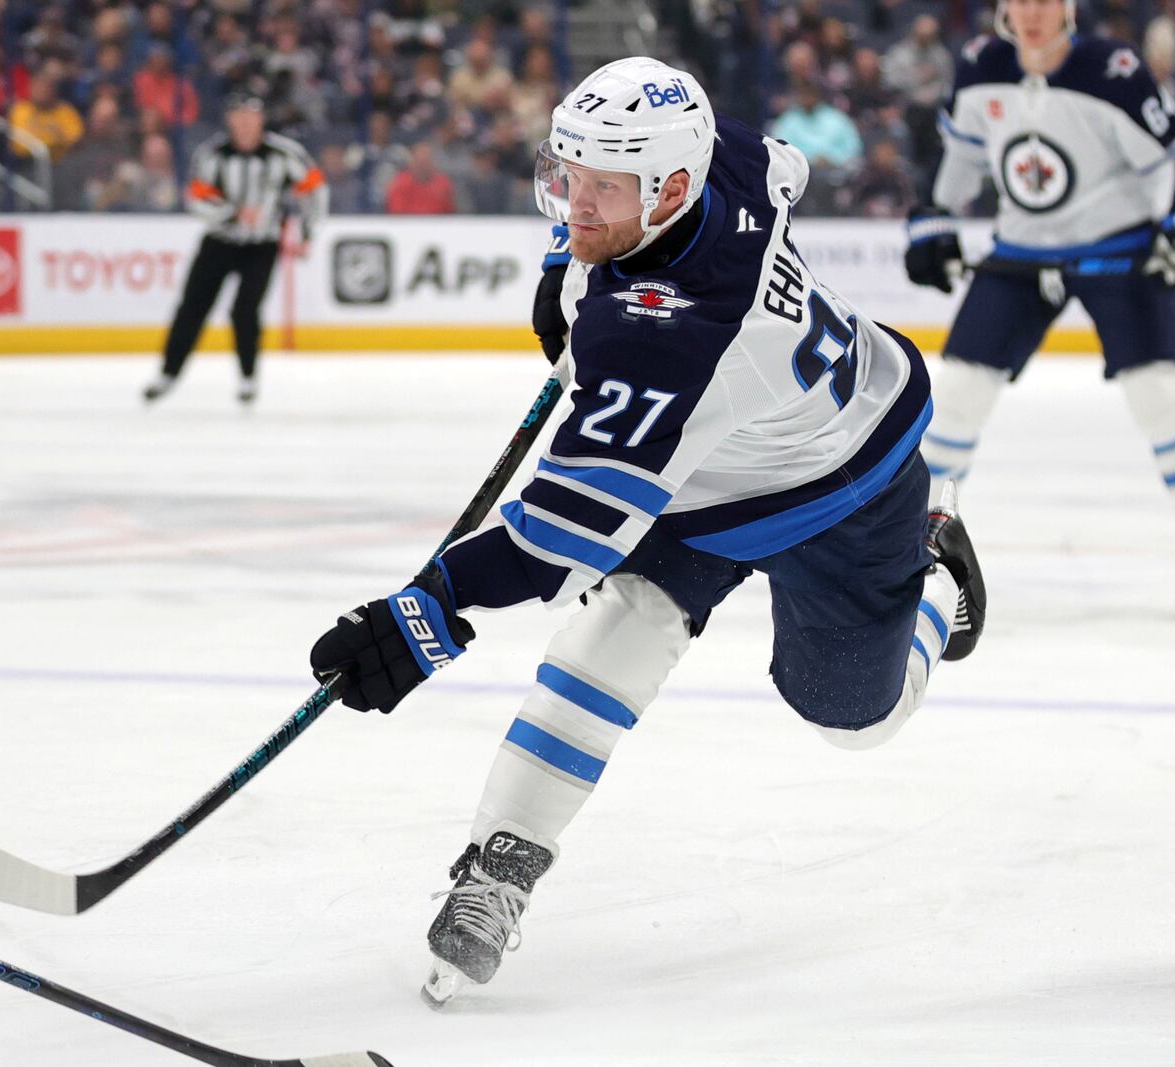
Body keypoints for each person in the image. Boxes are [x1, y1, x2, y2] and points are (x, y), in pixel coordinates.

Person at [307, 56, 988, 1007]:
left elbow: (550, 543)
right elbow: (782, 162)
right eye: (566, 178)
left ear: (670, 188)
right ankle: (500, 867)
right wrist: (569, 256)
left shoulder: (667, 336)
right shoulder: (724, 163)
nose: (574, 203)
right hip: (712, 472)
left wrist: (429, 611)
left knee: (854, 719)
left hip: (853, 480)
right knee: (610, 636)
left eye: (601, 191)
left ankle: (940, 576)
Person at [907, 0, 1175, 593]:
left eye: (1045, 0)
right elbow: (956, 157)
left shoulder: (1113, 69)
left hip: (1118, 247)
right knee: (958, 392)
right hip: (1022, 250)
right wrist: (932, 218)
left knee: (1160, 396)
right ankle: (909, 544)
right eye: (1020, 1)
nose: (1031, 13)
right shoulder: (980, 63)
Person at [143, 97, 327, 405]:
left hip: (262, 246)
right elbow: (197, 199)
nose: (244, 122)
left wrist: (308, 232)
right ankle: (168, 373)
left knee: (245, 311)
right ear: (229, 119)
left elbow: (315, 190)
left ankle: (247, 377)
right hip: (218, 243)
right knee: (192, 308)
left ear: (261, 119)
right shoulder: (212, 155)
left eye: (250, 116)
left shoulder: (285, 154)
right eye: (238, 116)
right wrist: (231, 213)